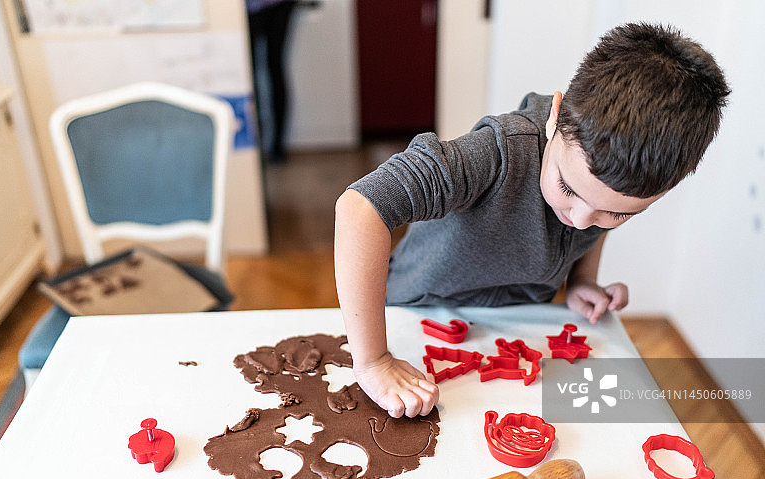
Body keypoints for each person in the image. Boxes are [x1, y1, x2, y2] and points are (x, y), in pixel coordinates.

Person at [334, 22, 730, 419]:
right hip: (418, 315)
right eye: (569, 189)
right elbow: (359, 207)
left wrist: (582, 281)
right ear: (556, 117)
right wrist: (373, 361)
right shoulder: (496, 152)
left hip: (513, 328)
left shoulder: (604, 193)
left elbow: (588, 224)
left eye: (617, 214)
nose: (580, 220)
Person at [246, 0, 298, 163]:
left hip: (279, 5)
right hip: (249, 8)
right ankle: (255, 145)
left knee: (275, 67)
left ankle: (277, 147)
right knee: (249, 74)